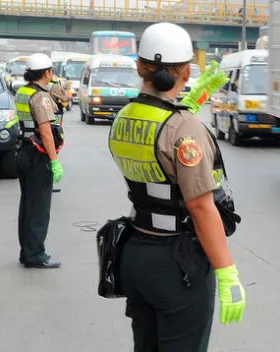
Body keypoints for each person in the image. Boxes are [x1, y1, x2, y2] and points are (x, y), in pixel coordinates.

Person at [108, 22, 246, 351]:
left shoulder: (124, 116)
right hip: (177, 265)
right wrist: (227, 272)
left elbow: (161, 129)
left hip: (135, 253)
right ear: (186, 71)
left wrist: (196, 99)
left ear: (140, 67)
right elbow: (200, 206)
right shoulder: (186, 129)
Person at [15, 53, 64, 269]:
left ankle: (27, 251)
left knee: (28, 205)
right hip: (38, 155)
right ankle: (36, 255)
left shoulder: (23, 92)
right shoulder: (41, 97)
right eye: (51, 70)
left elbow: (64, 98)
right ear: (47, 72)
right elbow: (45, 131)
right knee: (39, 208)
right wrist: (54, 162)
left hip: (22, 152)